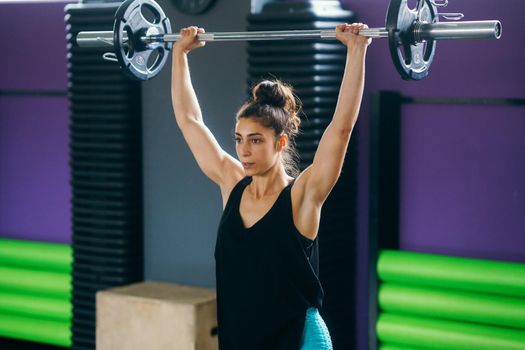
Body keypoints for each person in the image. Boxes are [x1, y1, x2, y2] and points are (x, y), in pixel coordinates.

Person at [171, 22, 371, 350]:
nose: (243, 150)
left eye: (255, 140)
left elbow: (341, 128)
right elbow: (189, 121)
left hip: (300, 342)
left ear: (280, 142)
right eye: (239, 140)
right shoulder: (231, 183)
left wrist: (356, 50)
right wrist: (179, 55)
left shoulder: (303, 196)